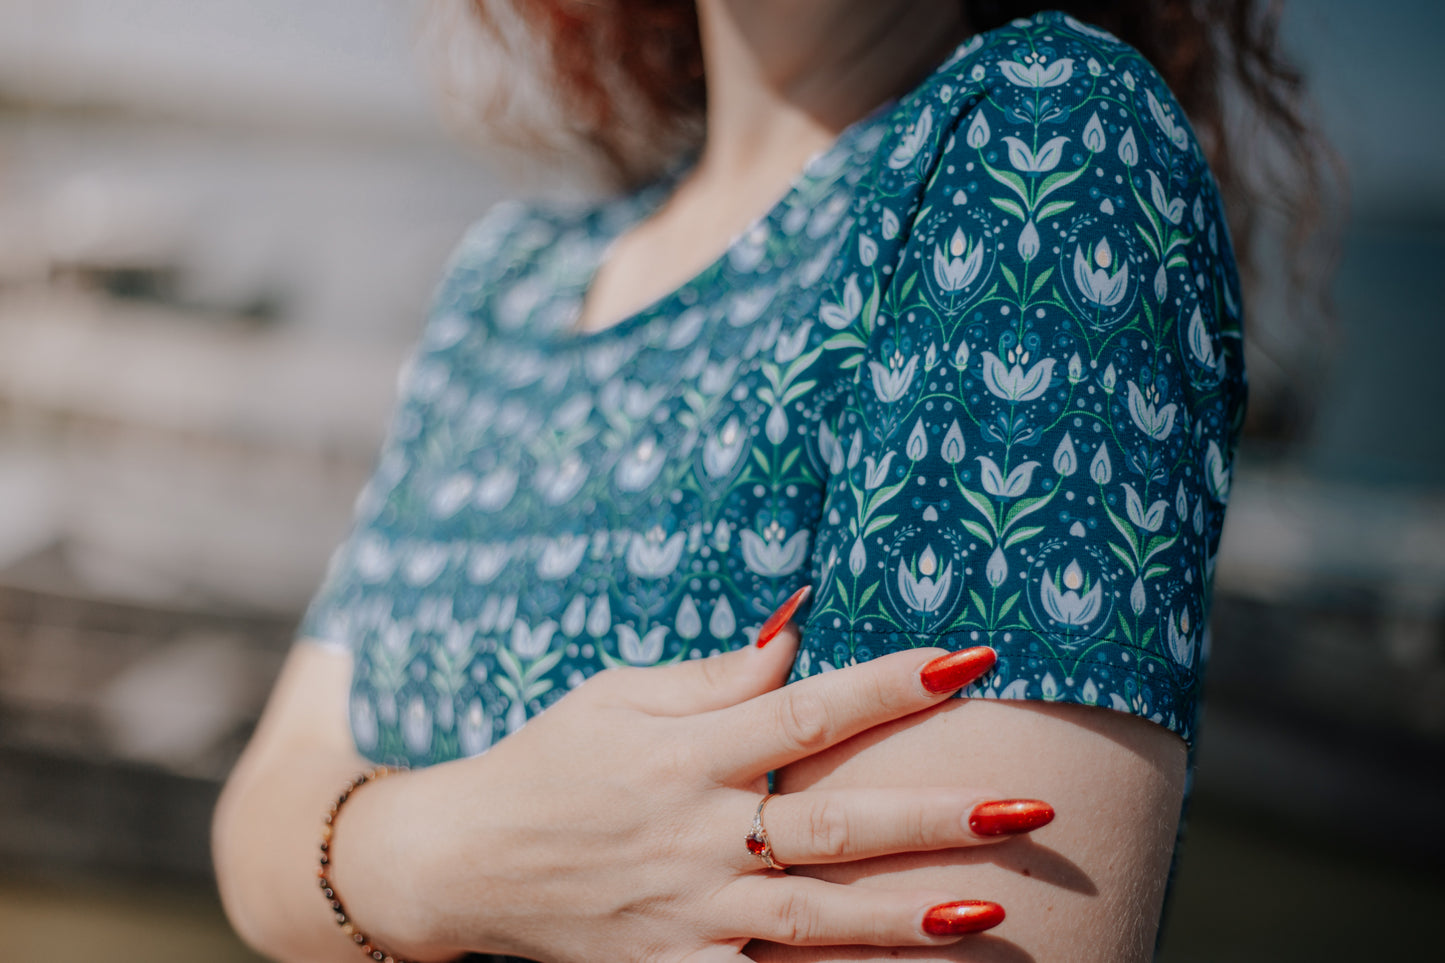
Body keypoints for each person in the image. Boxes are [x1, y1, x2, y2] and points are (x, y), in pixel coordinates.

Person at [213, 2, 1322, 960]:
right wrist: (470, 848)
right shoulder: (507, 284)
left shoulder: (1039, 143)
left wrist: (377, 853)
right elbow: (259, 816)